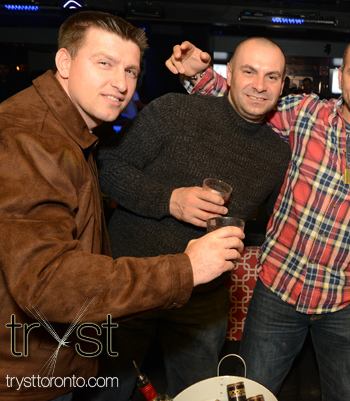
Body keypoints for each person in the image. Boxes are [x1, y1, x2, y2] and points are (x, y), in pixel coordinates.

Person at [0, 11, 243, 401]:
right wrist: (187, 267)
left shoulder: (69, 130)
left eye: (131, 71)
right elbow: (48, 282)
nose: (121, 83)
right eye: (105, 63)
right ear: (65, 62)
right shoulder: (32, 139)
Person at [166, 34, 350, 400]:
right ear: (341, 76)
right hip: (278, 289)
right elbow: (248, 100)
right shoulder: (305, 113)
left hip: (347, 303)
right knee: (250, 393)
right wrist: (197, 75)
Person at [93, 37, 291, 399]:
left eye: (272, 77)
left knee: (198, 393)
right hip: (131, 279)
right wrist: (169, 200)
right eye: (249, 71)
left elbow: (279, 216)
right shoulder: (175, 110)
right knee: (108, 389)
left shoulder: (278, 154)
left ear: (282, 85)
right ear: (229, 74)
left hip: (202, 297)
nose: (260, 85)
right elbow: (107, 166)